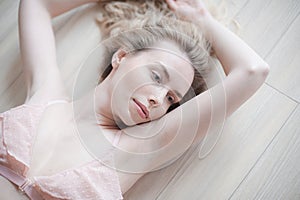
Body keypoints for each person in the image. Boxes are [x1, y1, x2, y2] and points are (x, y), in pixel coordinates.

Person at [0, 0, 269, 199]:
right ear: (121, 56)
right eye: (156, 76)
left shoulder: (134, 153)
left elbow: (252, 71)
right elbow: (36, 4)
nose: (159, 100)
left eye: (171, 99)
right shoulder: (45, 94)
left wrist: (201, 18)